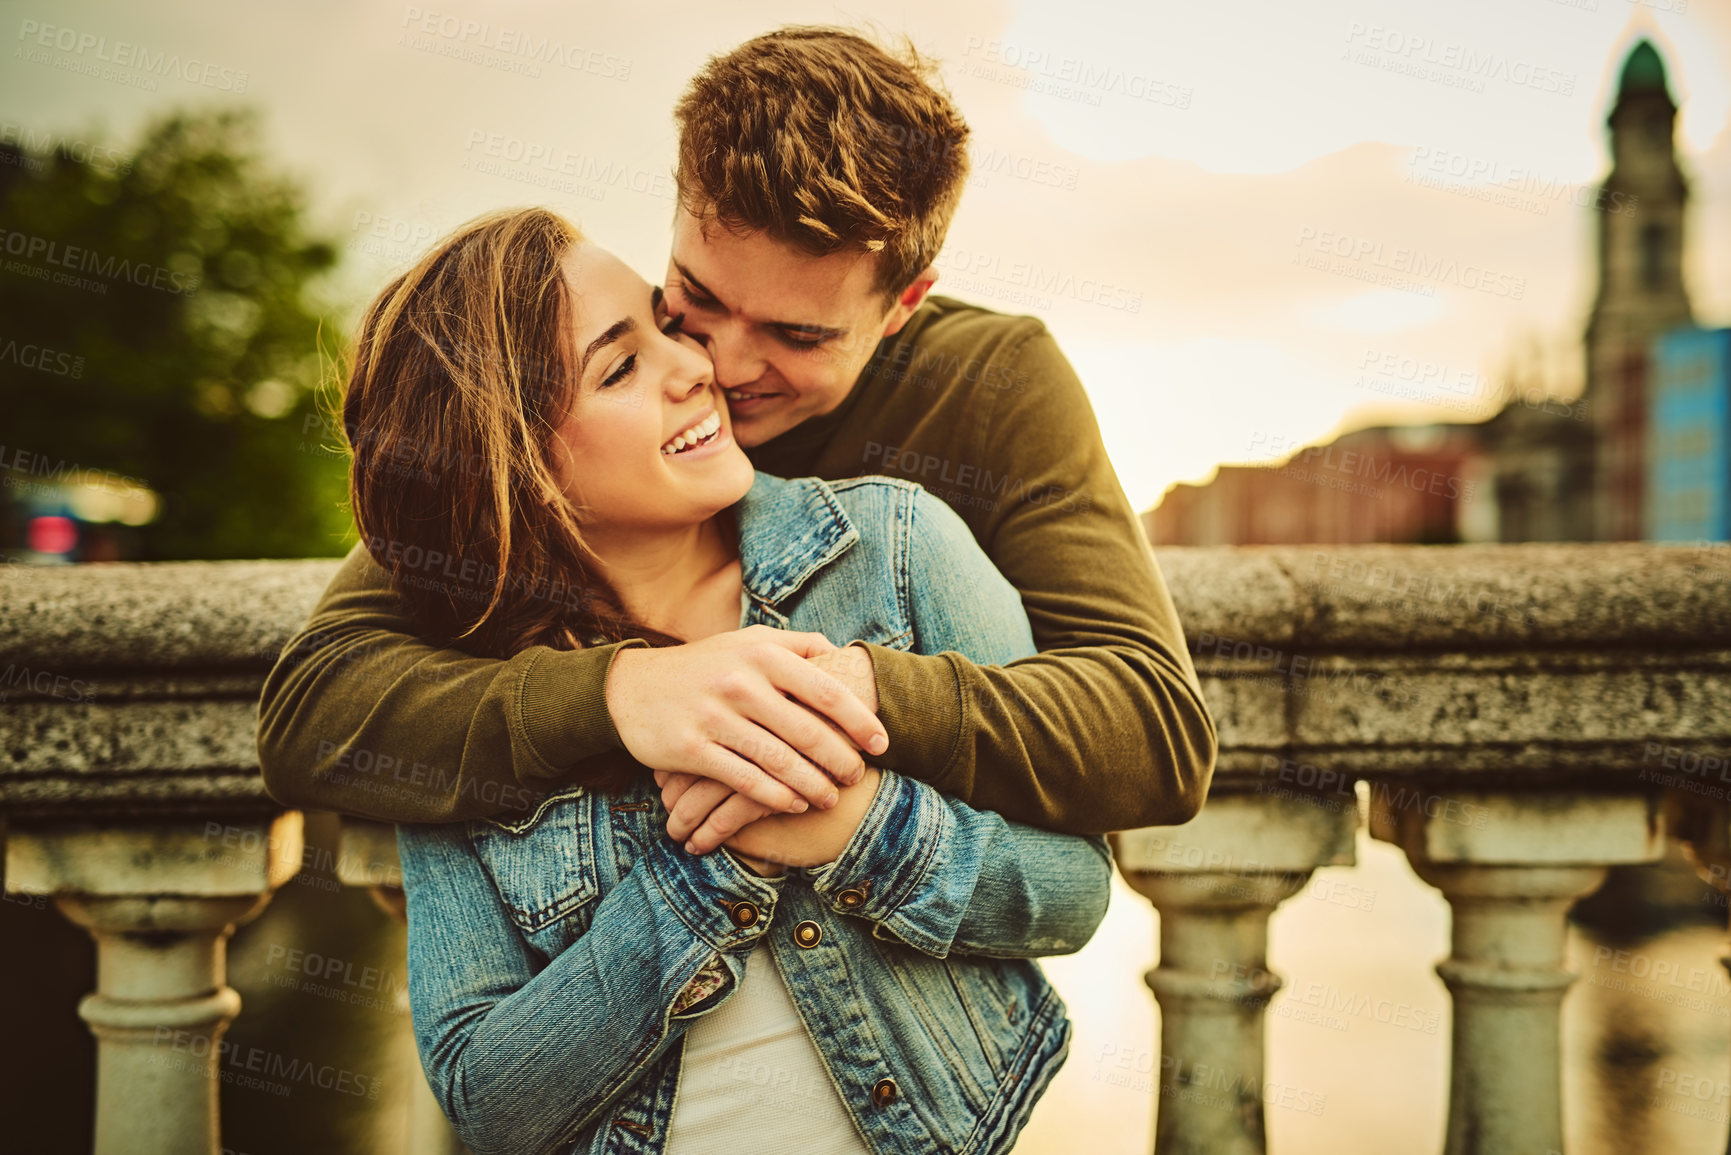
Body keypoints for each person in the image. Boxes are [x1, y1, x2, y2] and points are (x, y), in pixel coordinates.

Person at [258, 26, 1214, 855]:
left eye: (797, 336)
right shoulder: (608, 389)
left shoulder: (991, 381)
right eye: (698, 298)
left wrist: (840, 693)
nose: (715, 361)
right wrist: (624, 696)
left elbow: (1154, 731)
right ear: (677, 212)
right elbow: (316, 711)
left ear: (900, 308)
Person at [355, 206, 1110, 1154]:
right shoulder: (459, 698)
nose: (697, 365)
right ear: (510, 462)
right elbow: (488, 1100)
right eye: (620, 366)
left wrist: (855, 830)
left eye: (665, 326)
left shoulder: (895, 551)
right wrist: (713, 874)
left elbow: (1073, 889)